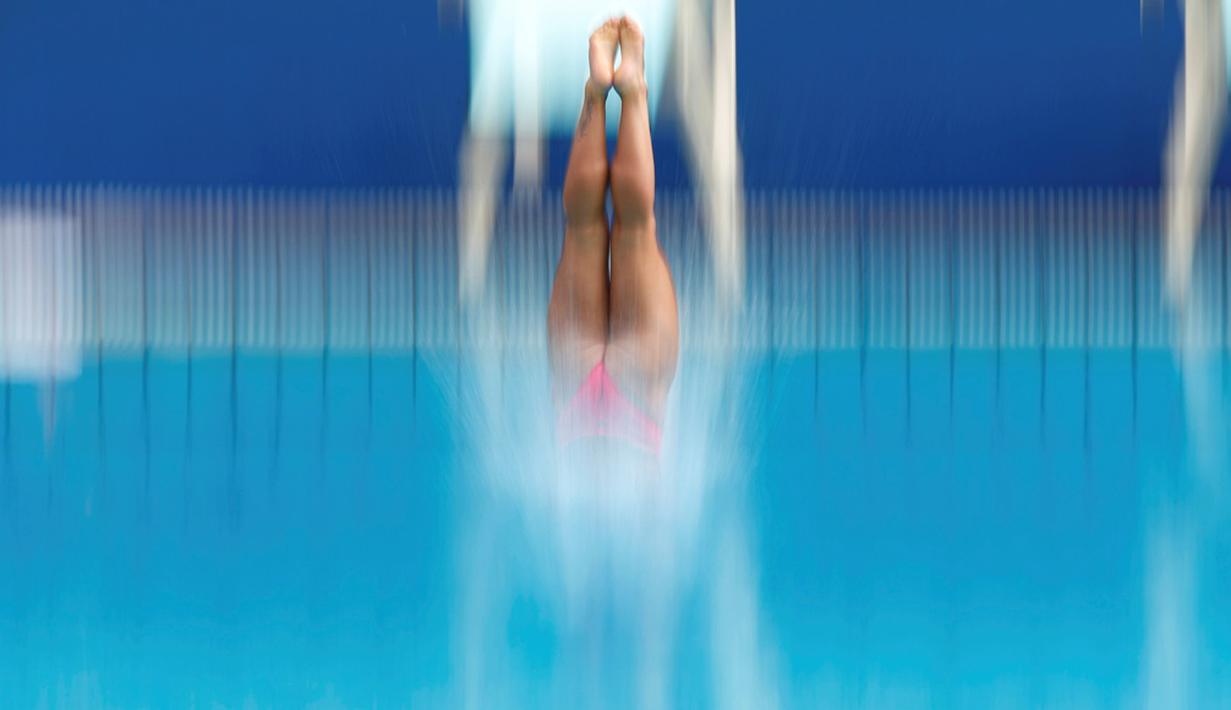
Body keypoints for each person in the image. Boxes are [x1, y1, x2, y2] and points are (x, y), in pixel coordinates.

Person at [548, 16, 679, 457]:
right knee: (627, 226)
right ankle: (615, 88)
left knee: (600, 227)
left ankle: (613, 89)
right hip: (606, 393)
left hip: (582, 407)